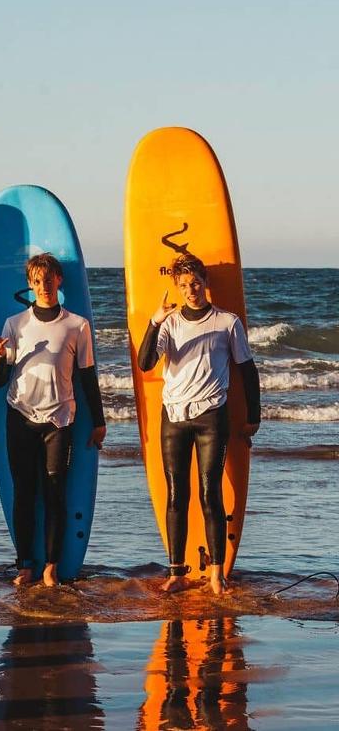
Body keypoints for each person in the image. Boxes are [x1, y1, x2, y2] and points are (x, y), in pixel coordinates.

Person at [137, 253, 260, 596]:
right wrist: (154, 322)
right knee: (177, 495)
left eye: (195, 283)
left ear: (205, 283)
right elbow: (145, 363)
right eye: (183, 285)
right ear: (176, 287)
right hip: (173, 417)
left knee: (211, 493)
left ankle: (217, 573)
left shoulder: (227, 322)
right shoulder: (171, 323)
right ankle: (177, 572)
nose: (190, 290)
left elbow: (248, 372)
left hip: (211, 417)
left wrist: (254, 416)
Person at [0, 252, 107, 588]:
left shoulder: (76, 325)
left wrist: (98, 421)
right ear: (30, 284)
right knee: (24, 493)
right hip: (21, 418)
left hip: (60, 421)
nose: (44, 286)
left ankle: (52, 566)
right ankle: (24, 565)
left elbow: (87, 377)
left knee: (55, 494)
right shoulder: (16, 324)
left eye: (49, 280)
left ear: (59, 281)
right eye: (37, 281)